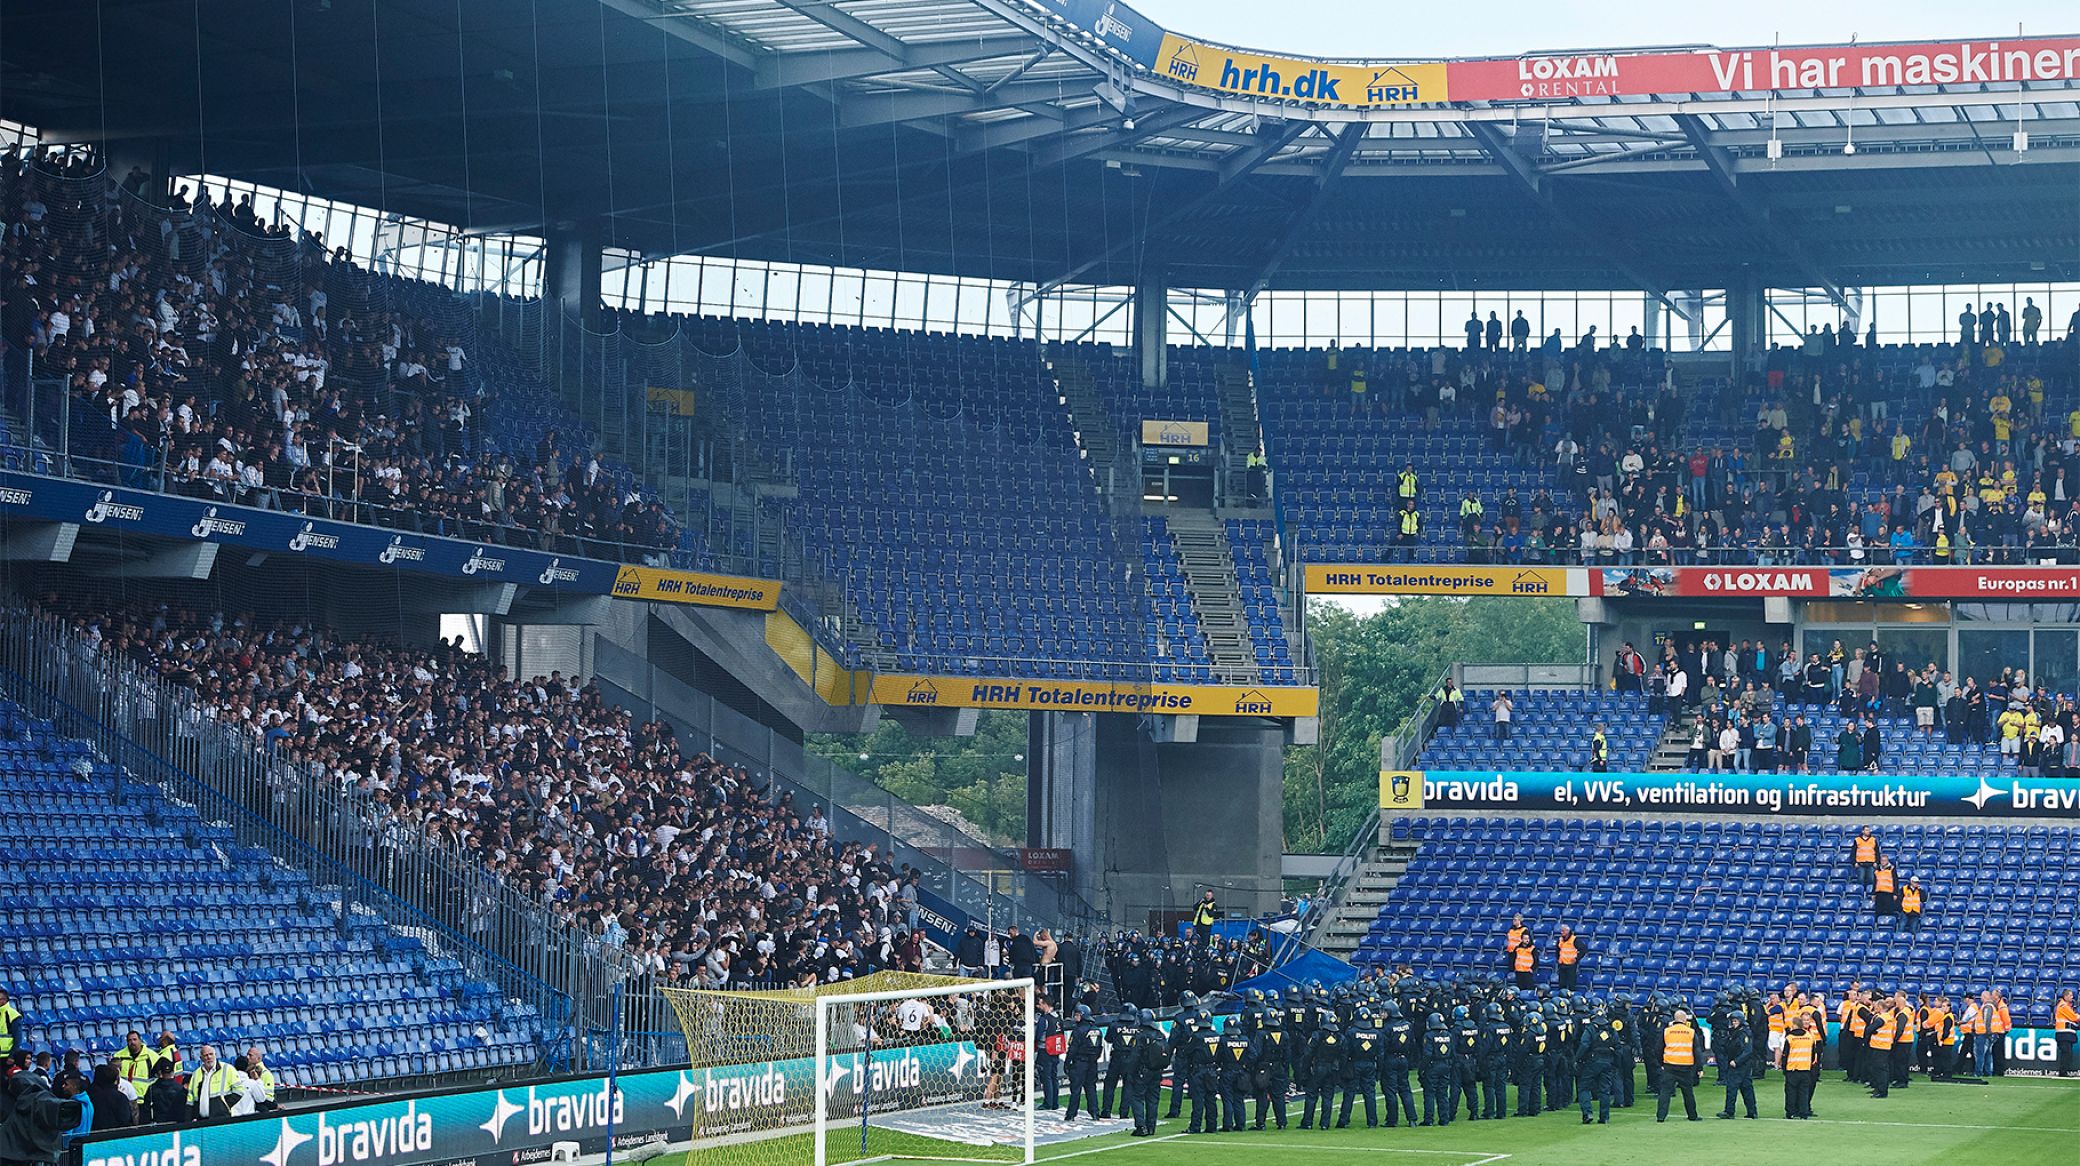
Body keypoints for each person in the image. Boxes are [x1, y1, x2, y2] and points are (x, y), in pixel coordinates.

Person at [1656, 1006, 1702, 1122]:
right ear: (1685, 1020)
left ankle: (1661, 1116)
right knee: (1688, 1093)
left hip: (1670, 1066)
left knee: (1665, 1092)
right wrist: (1699, 1068)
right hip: (1686, 1067)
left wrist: (1661, 1062)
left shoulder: (1666, 1031)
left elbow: (1658, 1049)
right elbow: (1697, 1051)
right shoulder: (1691, 1032)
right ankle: (1692, 1115)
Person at [1251, 1002, 1292, 1129]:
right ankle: (1282, 1122)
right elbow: (1287, 1055)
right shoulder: (1284, 1034)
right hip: (1279, 1067)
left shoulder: (1261, 1034)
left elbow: (1257, 1052)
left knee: (1262, 1096)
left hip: (1264, 1068)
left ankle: (1260, 1123)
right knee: (1278, 1096)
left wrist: (1254, 1067)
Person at [1299, 1015, 1344, 1129]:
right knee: (1328, 1096)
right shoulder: (1339, 1037)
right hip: (1332, 1069)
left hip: (1318, 1068)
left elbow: (1308, 1054)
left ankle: (1307, 1122)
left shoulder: (1317, 1035)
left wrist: (1305, 1071)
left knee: (1311, 1095)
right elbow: (1343, 1056)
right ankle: (1325, 1123)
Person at [1339, 1009, 1382, 1128]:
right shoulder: (1376, 1033)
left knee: (1349, 1093)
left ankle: (1343, 1120)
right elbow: (1380, 1054)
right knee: (1369, 1094)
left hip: (1354, 1064)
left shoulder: (1351, 1032)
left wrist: (1342, 1068)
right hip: (1370, 1064)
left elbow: (1345, 1052)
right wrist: (1379, 1070)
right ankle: (1372, 1122)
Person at [1215, 1013, 1255, 1131]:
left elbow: (1217, 1056)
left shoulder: (1222, 1040)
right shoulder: (1245, 1040)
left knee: (1227, 1099)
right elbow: (1253, 1055)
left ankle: (1227, 1125)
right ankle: (1240, 1124)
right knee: (1239, 1099)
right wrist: (1245, 1065)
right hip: (1241, 1072)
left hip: (1227, 1071)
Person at [1715, 1010, 1758, 1119]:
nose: (1733, 1023)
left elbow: (1747, 1051)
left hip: (1740, 1065)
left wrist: (1737, 1061)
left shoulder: (1743, 1033)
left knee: (1732, 1087)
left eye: (1735, 1021)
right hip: (1742, 1064)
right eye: (1733, 1021)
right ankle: (1752, 1111)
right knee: (1746, 1088)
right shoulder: (1737, 1032)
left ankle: (1729, 1111)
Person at [1062, 1005, 1103, 1120]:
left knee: (1076, 1089)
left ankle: (1071, 1114)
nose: (1075, 1017)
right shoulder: (1097, 1030)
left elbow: (1073, 1049)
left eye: (1077, 1015)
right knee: (1091, 1088)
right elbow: (1100, 1048)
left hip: (1080, 1063)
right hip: (1092, 1063)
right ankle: (1095, 1113)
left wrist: (1067, 1063)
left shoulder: (1078, 1030)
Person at [1475, 1002, 1513, 1121]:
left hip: (1491, 1059)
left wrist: (1479, 1061)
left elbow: (1485, 1047)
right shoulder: (1506, 1026)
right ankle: (1501, 1112)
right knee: (1501, 1086)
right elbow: (1510, 1045)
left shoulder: (1489, 1028)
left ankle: (1489, 1112)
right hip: (1502, 1057)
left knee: (1489, 1086)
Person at [1779, 1012, 1820, 1119]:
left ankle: (1791, 1112)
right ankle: (1804, 1112)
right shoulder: (1809, 1036)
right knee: (1804, 1092)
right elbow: (1813, 1054)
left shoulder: (1790, 1038)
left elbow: (1785, 1055)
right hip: (1805, 1069)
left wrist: (1784, 1068)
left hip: (1792, 1069)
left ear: (1795, 1025)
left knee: (1791, 1092)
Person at [1418, 1012, 1456, 1126]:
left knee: (1429, 1093)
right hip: (1445, 1065)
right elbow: (1452, 1052)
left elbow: (1427, 1054)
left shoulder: (1429, 1036)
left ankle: (1428, 1119)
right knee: (1443, 1093)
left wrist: (1422, 1069)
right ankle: (1444, 1119)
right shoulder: (1448, 1035)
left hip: (1433, 1066)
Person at [1033, 997, 1062, 1112]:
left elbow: (1038, 1035)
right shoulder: (1058, 1018)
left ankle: (1048, 1103)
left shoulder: (1044, 1019)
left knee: (1046, 1077)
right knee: (1054, 1076)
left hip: (1045, 1050)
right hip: (1055, 1050)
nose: (1038, 1006)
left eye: (1040, 1004)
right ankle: (1055, 1102)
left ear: (1045, 1004)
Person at [85, 1064, 134, 1131]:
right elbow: (125, 1120)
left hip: (93, 1134)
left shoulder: (87, 1095)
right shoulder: (120, 1097)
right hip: (116, 1135)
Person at [139, 1060, 187, 1125]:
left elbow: (145, 1112)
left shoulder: (151, 1089)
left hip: (157, 1126)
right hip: (176, 1125)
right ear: (172, 1072)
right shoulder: (180, 1089)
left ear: (160, 1073)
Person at [2053, 989, 2077, 1077]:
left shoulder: (2065, 1006)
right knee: (2066, 1054)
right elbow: (2074, 1017)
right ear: (2065, 996)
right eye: (2070, 995)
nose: (2072, 997)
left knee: (2067, 1054)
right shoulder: (2063, 1006)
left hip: (2065, 1034)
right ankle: (2063, 1072)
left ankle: (2064, 1071)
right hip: (2064, 1034)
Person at [0, 990, 19, 1062]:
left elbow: (17, 1039)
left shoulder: (13, 1015)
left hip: (6, 1058)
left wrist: (12, 1056)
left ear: (5, 1000)